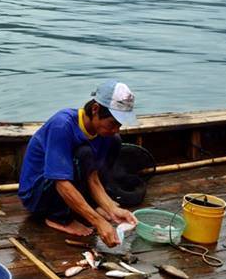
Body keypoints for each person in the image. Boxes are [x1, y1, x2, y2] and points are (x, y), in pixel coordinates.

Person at [18, 79, 141, 246]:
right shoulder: (62, 125)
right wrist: (98, 222)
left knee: (115, 141)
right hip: (39, 194)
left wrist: (112, 210)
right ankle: (59, 218)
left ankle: (88, 206)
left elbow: (93, 176)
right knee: (84, 153)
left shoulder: (104, 134)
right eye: (112, 123)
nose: (115, 129)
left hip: (69, 183)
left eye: (119, 125)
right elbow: (61, 182)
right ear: (95, 109)